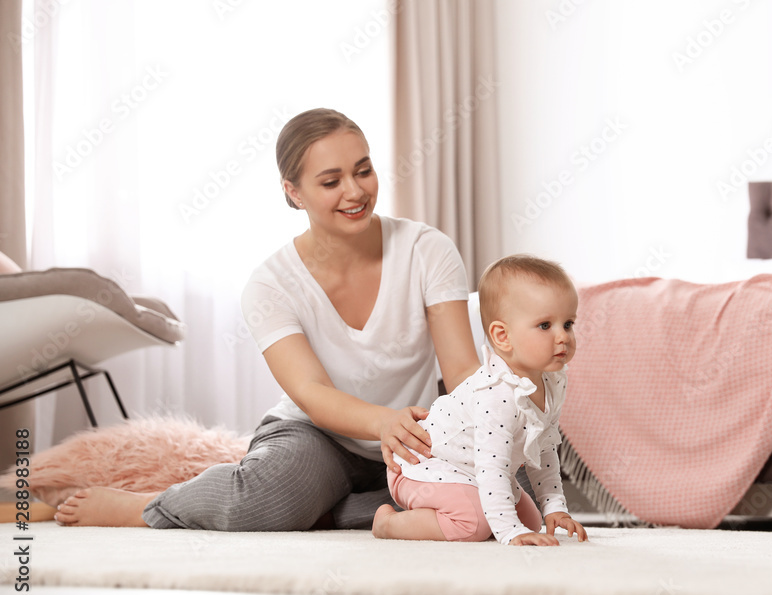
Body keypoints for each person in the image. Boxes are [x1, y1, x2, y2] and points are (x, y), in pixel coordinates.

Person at [53, 108, 482, 530]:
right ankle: (151, 506)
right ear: (294, 192)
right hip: (318, 436)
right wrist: (383, 422)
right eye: (331, 181)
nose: (354, 192)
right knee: (264, 502)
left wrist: (496, 420)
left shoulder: (427, 250)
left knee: (505, 481)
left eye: (363, 171)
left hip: (413, 438)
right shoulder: (270, 284)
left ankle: (327, 511)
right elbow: (311, 392)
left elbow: (461, 369)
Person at [372, 255, 589, 546]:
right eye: (545, 325)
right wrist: (509, 532)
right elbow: (492, 467)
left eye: (568, 323)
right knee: (473, 523)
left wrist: (554, 508)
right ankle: (388, 523)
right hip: (425, 467)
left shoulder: (552, 381)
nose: (563, 336)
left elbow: (543, 451)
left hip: (472, 472)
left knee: (530, 521)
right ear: (503, 336)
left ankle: (457, 511)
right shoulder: (497, 393)